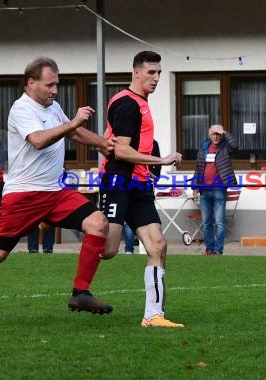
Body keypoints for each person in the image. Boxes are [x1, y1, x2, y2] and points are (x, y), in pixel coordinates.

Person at [0, 56, 116, 328]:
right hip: (24, 197)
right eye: (50, 85)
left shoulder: (53, 106)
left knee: (98, 223)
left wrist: (104, 144)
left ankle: (80, 293)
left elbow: (75, 134)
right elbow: (39, 140)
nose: (55, 90)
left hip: (56, 192)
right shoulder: (21, 109)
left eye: (57, 84)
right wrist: (75, 121)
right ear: (31, 83)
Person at [100, 50, 184, 328]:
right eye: (151, 72)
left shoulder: (140, 103)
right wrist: (161, 160)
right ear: (136, 72)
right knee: (108, 249)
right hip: (118, 181)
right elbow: (121, 151)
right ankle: (63, 215)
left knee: (158, 245)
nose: (157, 78)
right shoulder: (127, 104)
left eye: (159, 72)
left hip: (139, 183)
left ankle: (153, 315)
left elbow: (115, 141)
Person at [192, 124, 238, 255]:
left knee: (219, 222)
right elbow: (198, 168)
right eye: (214, 134)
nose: (216, 136)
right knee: (206, 222)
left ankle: (218, 250)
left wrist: (224, 131)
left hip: (219, 188)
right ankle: (209, 249)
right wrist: (195, 188)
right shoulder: (204, 147)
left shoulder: (226, 147)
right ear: (209, 135)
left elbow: (235, 145)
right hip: (204, 189)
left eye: (218, 134)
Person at [121, 140, 160, 255]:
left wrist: (154, 175)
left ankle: (146, 249)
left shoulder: (153, 142)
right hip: (128, 182)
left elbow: (157, 160)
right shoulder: (126, 141)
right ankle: (129, 249)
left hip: (145, 184)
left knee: (147, 220)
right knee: (129, 221)